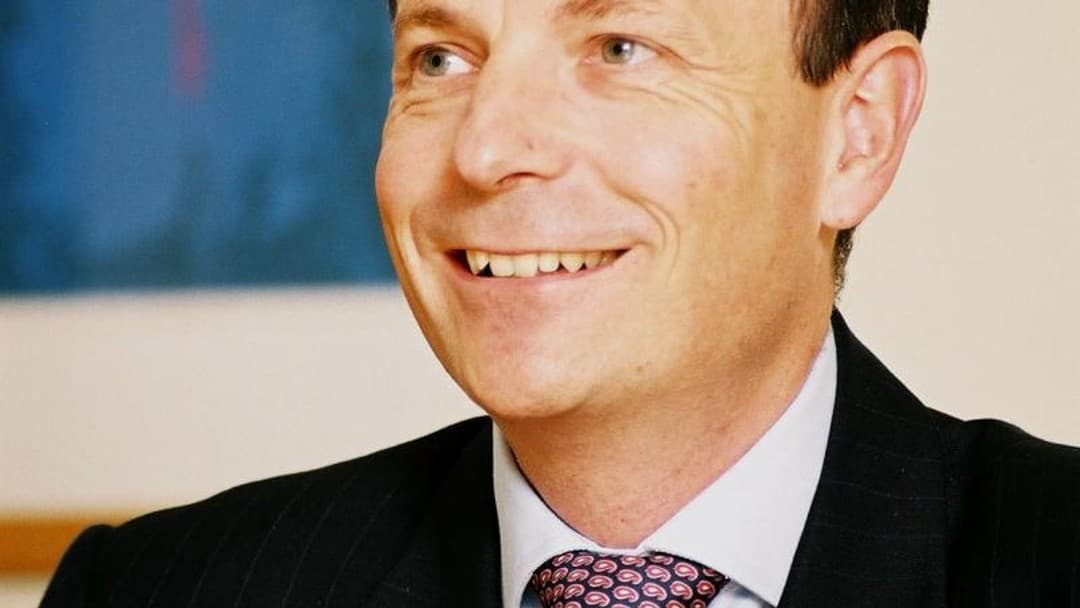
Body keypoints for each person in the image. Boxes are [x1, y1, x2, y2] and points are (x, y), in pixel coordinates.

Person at [41, 0, 1080, 606]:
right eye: (440, 58)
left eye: (619, 48)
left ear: (858, 132)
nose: (487, 147)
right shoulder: (155, 591)